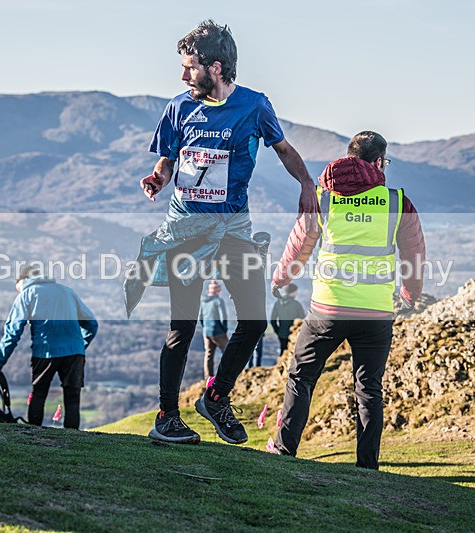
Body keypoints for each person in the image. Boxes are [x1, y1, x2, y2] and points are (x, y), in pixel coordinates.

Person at [124, 20, 318, 445]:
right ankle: (167, 418)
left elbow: (283, 149)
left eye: (189, 67)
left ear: (215, 67)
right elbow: (167, 161)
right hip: (186, 230)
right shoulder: (178, 107)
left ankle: (216, 397)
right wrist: (157, 178)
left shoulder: (254, 106)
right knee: (183, 327)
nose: (182, 75)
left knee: (252, 320)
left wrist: (307, 183)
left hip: (234, 229)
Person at [266, 131, 426, 470]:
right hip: (376, 312)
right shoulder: (397, 202)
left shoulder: (324, 198)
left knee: (302, 377)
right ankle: (367, 466)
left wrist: (281, 278)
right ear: (379, 162)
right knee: (369, 388)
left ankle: (284, 449)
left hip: (328, 308)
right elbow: (414, 253)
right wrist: (410, 293)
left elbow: (300, 244)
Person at [0, 265, 98, 430]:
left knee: (39, 394)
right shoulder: (67, 291)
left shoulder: (26, 294)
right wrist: (80, 346)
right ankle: (73, 439)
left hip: (45, 352)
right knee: (73, 397)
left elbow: (12, 334)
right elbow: (91, 324)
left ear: (21, 280)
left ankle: (34, 433)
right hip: (75, 352)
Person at [198, 280, 228, 380]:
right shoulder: (218, 301)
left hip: (206, 331)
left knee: (209, 354)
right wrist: (224, 329)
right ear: (217, 291)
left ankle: (208, 377)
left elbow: (200, 317)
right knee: (228, 352)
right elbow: (223, 317)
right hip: (218, 331)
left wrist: (205, 327)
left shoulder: (203, 301)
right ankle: (226, 375)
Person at [270, 283, 305, 354]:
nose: (296, 294)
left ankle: (281, 364)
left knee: (283, 353)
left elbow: (272, 320)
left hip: (282, 334)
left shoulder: (277, 303)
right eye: (296, 292)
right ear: (292, 292)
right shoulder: (297, 304)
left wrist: (278, 331)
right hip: (294, 335)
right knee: (293, 354)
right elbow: (302, 320)